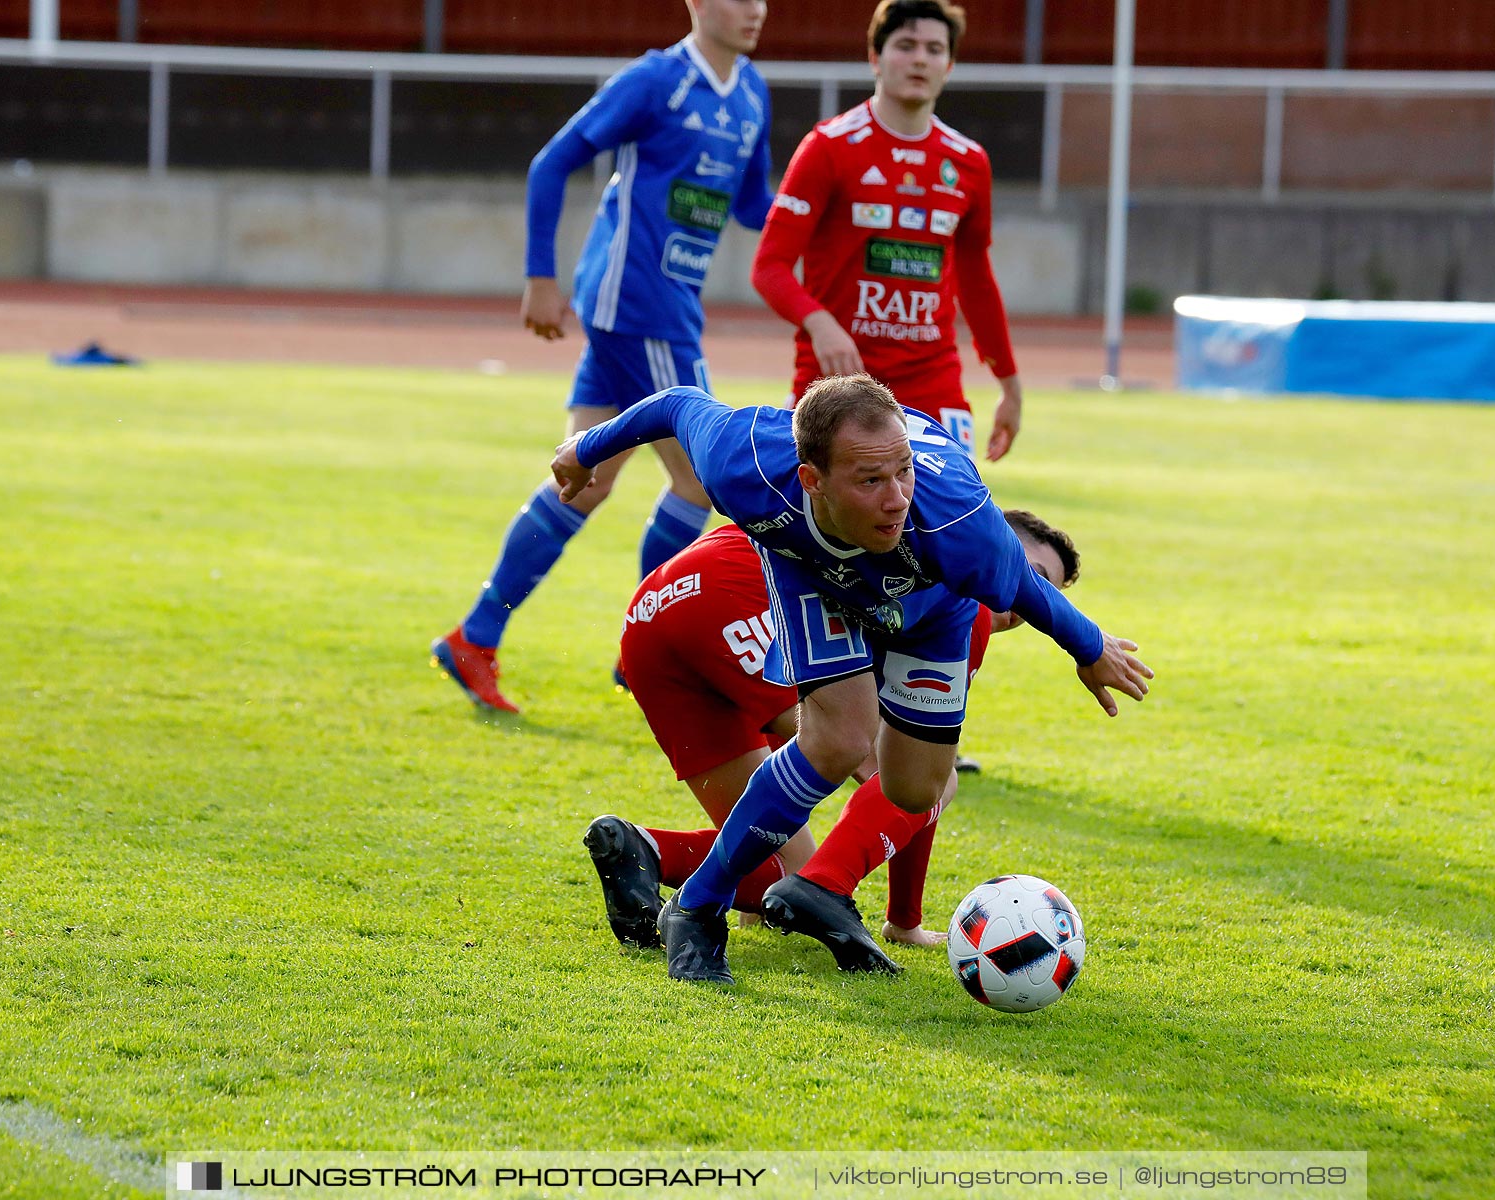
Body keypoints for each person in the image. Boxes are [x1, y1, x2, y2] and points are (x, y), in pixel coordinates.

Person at [552, 374, 1152, 983]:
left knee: (917, 788)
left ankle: (777, 881)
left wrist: (1091, 646)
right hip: (812, 581)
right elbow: (678, 404)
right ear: (811, 478)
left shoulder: (962, 530)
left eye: (903, 471)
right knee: (839, 739)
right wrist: (586, 448)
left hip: (929, 613)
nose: (896, 498)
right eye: (870, 479)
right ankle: (701, 909)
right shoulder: (748, 460)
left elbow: (1026, 586)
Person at [431, 0, 774, 714]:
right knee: (702, 480)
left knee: (584, 481)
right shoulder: (655, 81)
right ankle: (647, 649)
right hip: (638, 302)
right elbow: (552, 163)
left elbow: (751, 208)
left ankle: (477, 634)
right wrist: (539, 276)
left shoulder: (751, 92)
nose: (756, 10)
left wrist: (815, 213)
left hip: (664, 304)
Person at [584, 509, 1081, 974]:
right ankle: (825, 887)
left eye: (1048, 592)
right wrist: (904, 921)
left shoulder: (923, 544)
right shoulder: (963, 596)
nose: (1031, 598)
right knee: (928, 774)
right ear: (998, 542)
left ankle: (642, 849)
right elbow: (912, 774)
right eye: (1032, 571)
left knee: (778, 862)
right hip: (737, 588)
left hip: (654, 610)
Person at [751, 0, 1021, 461]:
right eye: (906, 45)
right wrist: (822, 325)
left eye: (934, 49)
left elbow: (975, 281)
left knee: (946, 525)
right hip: (835, 384)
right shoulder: (828, 148)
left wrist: (1009, 384)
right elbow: (769, 267)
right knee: (819, 529)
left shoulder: (969, 162)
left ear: (949, 65)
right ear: (875, 56)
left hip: (932, 384)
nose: (920, 58)